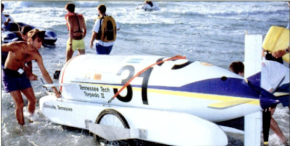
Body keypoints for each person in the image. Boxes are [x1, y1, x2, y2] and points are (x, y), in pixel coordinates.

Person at [1, 29, 61, 126]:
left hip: (21, 74)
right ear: (30, 39)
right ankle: (22, 128)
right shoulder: (17, 45)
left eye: (42, 41)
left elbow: (44, 73)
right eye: (38, 41)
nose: (40, 44)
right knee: (20, 104)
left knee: (33, 100)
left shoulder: (36, 54)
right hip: (9, 76)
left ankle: (30, 119)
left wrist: (55, 89)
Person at [229, 60, 289, 146]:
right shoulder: (243, 66)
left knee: (265, 115)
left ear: (241, 72)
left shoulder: (256, 74)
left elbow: (269, 91)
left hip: (285, 80)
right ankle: (280, 139)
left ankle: (282, 140)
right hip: (275, 77)